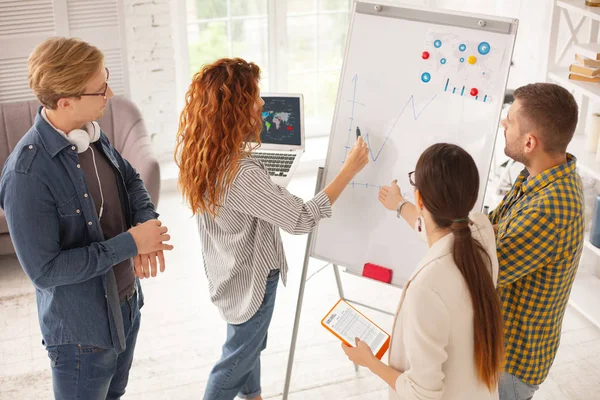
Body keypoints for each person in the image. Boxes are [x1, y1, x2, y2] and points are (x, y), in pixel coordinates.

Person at [175, 57, 369, 400]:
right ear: (237, 110)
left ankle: (254, 396)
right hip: (251, 279)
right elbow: (301, 219)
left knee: (248, 343)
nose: (263, 105)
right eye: (255, 98)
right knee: (236, 357)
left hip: (227, 270)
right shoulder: (244, 174)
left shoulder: (205, 156)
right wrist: (349, 170)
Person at [0, 37, 173, 399]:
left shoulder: (90, 133)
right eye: (99, 88)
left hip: (125, 304)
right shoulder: (26, 176)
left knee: (115, 394)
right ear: (66, 102)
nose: (109, 92)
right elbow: (44, 270)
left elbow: (130, 178)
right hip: (82, 335)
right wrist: (130, 243)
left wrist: (145, 224)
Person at [343, 143, 504, 400]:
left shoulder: (427, 288)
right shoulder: (482, 232)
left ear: (420, 199)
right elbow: (436, 230)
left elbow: (422, 395)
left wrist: (370, 362)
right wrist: (399, 205)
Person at [490, 83, 584, 400]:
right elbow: (493, 228)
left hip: (509, 364)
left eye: (511, 120)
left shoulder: (549, 210)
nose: (504, 124)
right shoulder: (539, 175)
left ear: (529, 142)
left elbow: (482, 269)